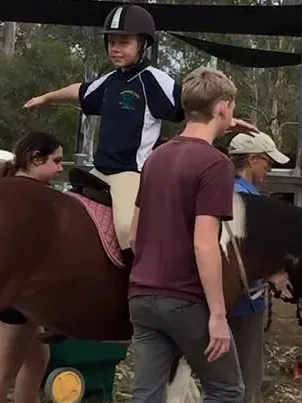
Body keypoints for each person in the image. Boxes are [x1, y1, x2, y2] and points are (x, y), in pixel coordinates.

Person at [23, 3, 255, 260]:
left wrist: (228, 120)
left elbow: (194, 103)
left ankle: (140, 288)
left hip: (131, 174)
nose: (115, 48)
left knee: (128, 232)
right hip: (98, 172)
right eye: (111, 42)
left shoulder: (154, 80)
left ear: (143, 44)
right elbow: (79, 91)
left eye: (124, 42)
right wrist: (45, 98)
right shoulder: (109, 81)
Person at [122, 66, 247, 403]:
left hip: (141, 296)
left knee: (145, 401)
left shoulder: (157, 157)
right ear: (223, 108)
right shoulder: (215, 164)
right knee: (226, 390)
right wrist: (219, 315)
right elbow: (204, 241)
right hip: (185, 299)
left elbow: (134, 233)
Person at [0, 131, 64, 403]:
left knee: (38, 357)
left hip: (16, 289)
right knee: (1, 372)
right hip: (18, 291)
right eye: (55, 161)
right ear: (34, 160)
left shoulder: (10, 189)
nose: (59, 169)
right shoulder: (26, 196)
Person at [225, 131, 289, 403]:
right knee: (245, 379)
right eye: (267, 162)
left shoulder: (219, 191)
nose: (269, 169)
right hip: (245, 301)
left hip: (216, 301)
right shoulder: (250, 201)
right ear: (251, 160)